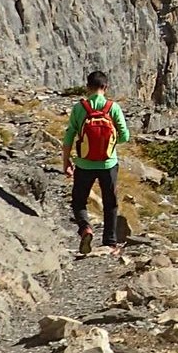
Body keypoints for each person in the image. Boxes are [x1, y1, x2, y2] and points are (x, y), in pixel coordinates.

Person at [62, 70, 130, 255]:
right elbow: (125, 136)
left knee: (78, 201)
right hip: (108, 164)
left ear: (87, 87)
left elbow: (68, 136)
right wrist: (109, 143)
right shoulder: (112, 107)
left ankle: (85, 228)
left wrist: (66, 162)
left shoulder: (79, 108)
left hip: (84, 164)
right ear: (105, 87)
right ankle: (110, 241)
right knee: (110, 203)